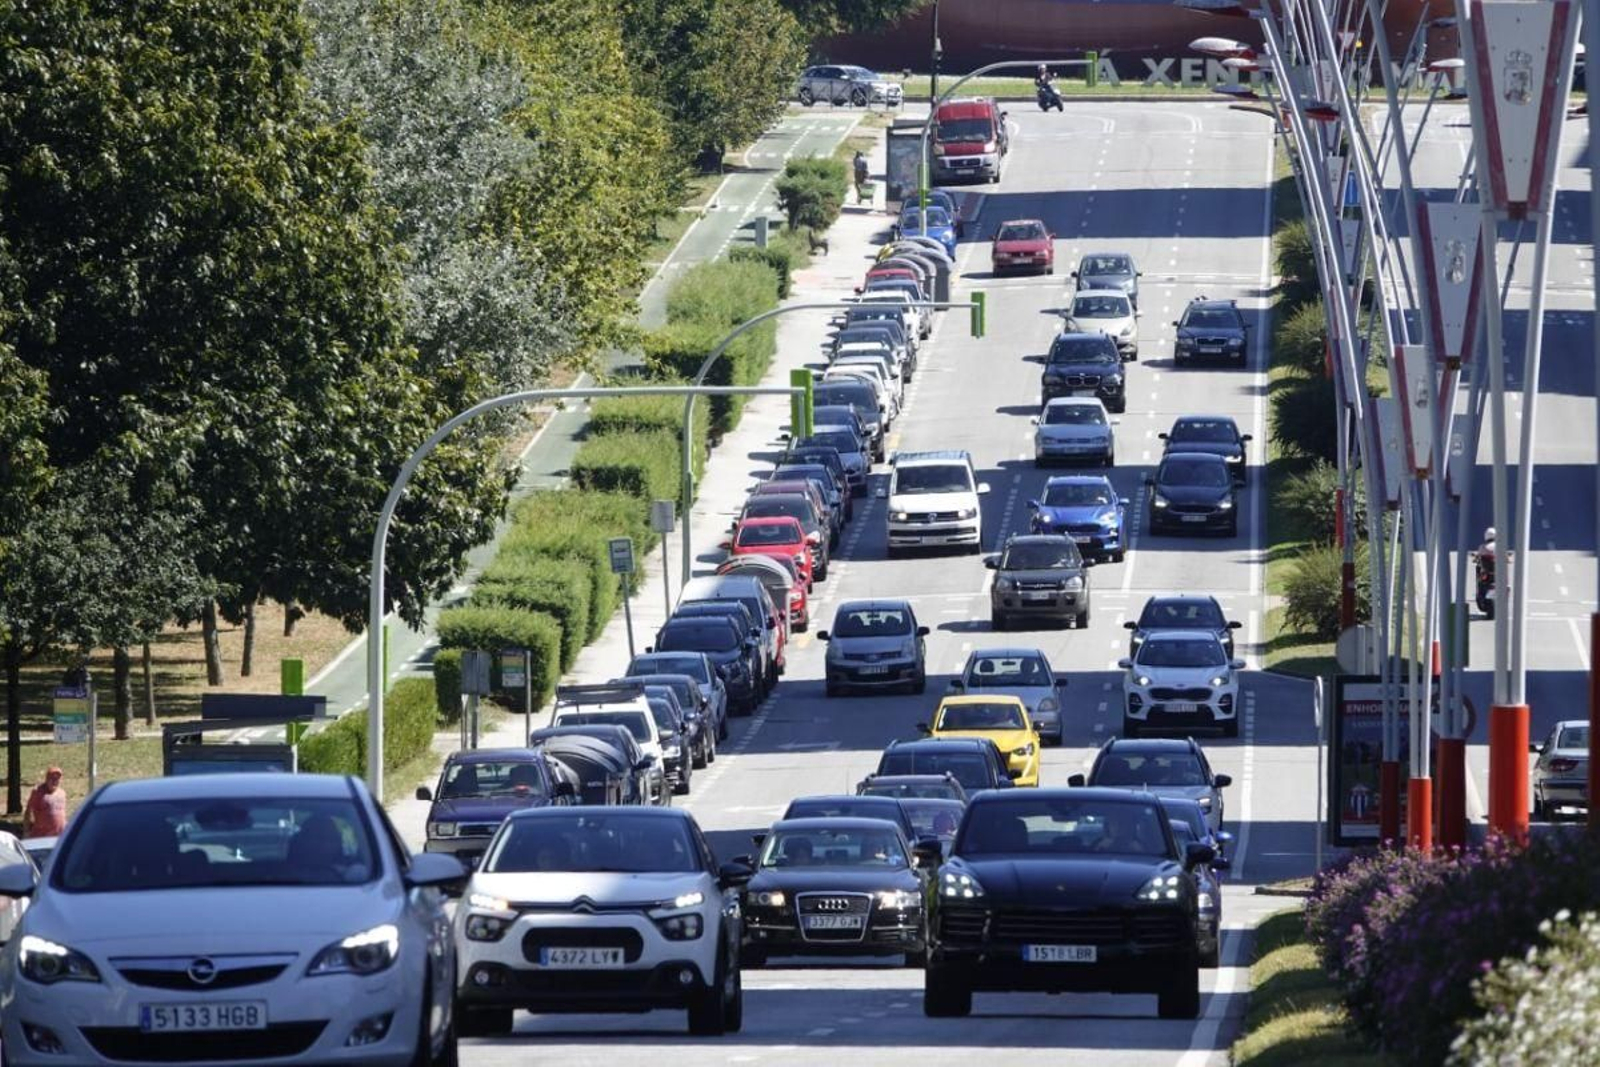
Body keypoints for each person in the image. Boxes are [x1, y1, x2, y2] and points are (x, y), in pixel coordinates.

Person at [23, 766, 66, 839]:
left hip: (59, 837)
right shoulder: (38, 792)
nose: (55, 781)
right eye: (52, 778)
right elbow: (28, 812)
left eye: (57, 779)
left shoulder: (62, 793)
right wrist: (26, 831)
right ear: (47, 779)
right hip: (41, 837)